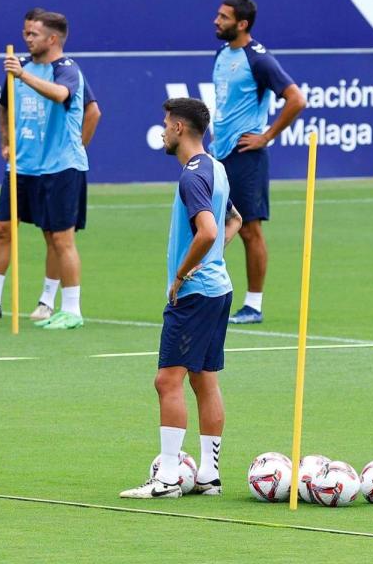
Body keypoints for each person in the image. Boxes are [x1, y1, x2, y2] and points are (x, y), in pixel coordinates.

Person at [120, 98, 242, 499]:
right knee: (204, 379)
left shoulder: (192, 175)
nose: (163, 129)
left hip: (195, 294)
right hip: (219, 289)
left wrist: (183, 272)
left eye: (166, 123)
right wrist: (212, 260)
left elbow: (207, 230)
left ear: (179, 129)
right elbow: (234, 220)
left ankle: (168, 476)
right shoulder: (216, 168)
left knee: (166, 380)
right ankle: (208, 474)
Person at [0, 9, 101, 328]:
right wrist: (5, 141)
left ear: (52, 39)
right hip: (22, 166)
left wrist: (77, 146)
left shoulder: (66, 69)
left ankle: (63, 307)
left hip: (59, 167)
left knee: (58, 237)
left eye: (33, 34)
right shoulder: (19, 66)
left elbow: (68, 98)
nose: (27, 39)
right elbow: (4, 106)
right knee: (2, 229)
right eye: (25, 33)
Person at [210, 0, 306, 324]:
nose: (216, 21)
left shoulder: (259, 59)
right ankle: (209, 292)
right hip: (219, 153)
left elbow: (296, 99)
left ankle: (253, 305)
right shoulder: (223, 53)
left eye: (223, 17)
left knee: (250, 230)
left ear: (242, 24)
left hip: (246, 157)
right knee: (212, 223)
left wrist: (266, 136)